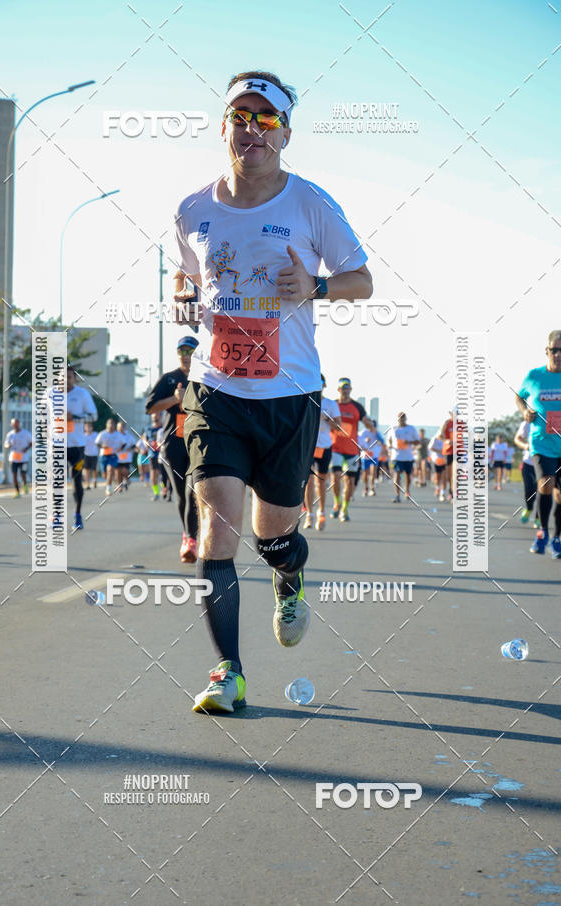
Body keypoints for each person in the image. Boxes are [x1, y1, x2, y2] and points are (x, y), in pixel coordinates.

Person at [170, 70, 372, 712]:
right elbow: (185, 273)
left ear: (284, 133)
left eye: (265, 118)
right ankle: (226, 673)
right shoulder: (192, 209)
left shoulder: (310, 204)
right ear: (223, 124)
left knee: (273, 536)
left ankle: (289, 576)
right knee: (217, 533)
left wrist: (315, 289)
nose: (251, 128)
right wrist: (179, 293)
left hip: (289, 396)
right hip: (217, 391)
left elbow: (361, 280)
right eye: (240, 116)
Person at [146, 336, 199, 563]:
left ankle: (192, 539)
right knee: (181, 495)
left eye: (191, 351)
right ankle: (188, 536)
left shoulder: (207, 378)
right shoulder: (169, 379)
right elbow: (150, 408)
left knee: (194, 492)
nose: (186, 356)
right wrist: (174, 399)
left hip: (199, 444)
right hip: (173, 444)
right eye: (183, 351)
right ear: (178, 354)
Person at [516, 330, 561, 557]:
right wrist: (525, 411)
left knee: (560, 495)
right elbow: (519, 395)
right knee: (546, 483)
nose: (558, 354)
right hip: (541, 443)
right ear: (547, 351)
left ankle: (557, 537)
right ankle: (542, 532)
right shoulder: (534, 376)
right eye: (554, 350)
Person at [330, 378, 373, 522]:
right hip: (335, 447)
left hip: (352, 450)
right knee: (335, 476)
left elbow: (366, 420)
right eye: (342, 387)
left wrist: (368, 423)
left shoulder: (357, 407)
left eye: (347, 387)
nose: (345, 390)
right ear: (338, 390)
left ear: (351, 389)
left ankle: (344, 509)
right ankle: (337, 502)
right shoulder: (333, 405)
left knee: (349, 482)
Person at [303, 374, 340, 530]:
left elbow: (339, 427)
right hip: (308, 446)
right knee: (308, 482)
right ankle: (309, 514)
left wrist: (327, 418)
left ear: (324, 385)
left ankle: (321, 512)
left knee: (320, 482)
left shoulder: (331, 404)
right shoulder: (305, 401)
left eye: (321, 382)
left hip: (324, 447)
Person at [66, 366, 98, 529]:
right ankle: (56, 515)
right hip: (56, 446)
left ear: (75, 379)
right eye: (61, 377)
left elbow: (93, 416)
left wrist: (74, 417)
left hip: (77, 447)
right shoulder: (50, 395)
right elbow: (42, 417)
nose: (65, 380)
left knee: (77, 481)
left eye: (69, 377)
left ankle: (77, 515)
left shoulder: (82, 394)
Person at [387, 412, 420, 502]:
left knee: (407, 475)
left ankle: (407, 490)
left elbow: (418, 441)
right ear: (397, 419)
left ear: (405, 419)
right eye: (399, 418)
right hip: (396, 456)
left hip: (408, 456)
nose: (401, 419)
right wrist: (390, 446)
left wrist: (409, 442)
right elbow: (389, 440)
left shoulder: (411, 428)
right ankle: (397, 495)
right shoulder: (393, 429)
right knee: (397, 473)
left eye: (403, 418)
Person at [514, 420, 538, 525]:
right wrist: (525, 446)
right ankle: (529, 509)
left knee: (542, 492)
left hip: (544, 463)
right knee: (529, 490)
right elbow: (517, 439)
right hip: (528, 463)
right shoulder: (527, 422)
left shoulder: (551, 420)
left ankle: (539, 517)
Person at [4, 418, 32, 497]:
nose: (15, 425)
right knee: (14, 475)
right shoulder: (10, 434)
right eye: (14, 424)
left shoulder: (26, 433)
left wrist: (26, 448)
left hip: (23, 458)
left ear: (19, 424)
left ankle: (25, 485)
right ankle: (17, 491)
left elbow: (32, 442)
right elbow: (6, 444)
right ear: (12, 425)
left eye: (16, 423)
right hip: (14, 458)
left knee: (23, 473)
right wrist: (8, 446)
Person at [358, 419, 385, 497]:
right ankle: (366, 487)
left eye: (373, 425)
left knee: (373, 472)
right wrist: (365, 441)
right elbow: (359, 441)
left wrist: (377, 436)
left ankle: (372, 488)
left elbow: (382, 441)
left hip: (374, 455)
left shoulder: (377, 432)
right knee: (365, 473)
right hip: (365, 455)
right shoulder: (364, 432)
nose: (372, 427)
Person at [96, 418, 122, 497]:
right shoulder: (102, 434)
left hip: (113, 455)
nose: (111, 425)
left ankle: (108, 489)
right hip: (103, 456)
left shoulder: (118, 434)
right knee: (104, 475)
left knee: (110, 470)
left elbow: (123, 443)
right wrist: (102, 446)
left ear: (114, 425)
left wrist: (120, 448)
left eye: (112, 424)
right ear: (106, 425)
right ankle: (110, 480)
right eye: (109, 423)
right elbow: (97, 443)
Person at [116, 421, 137, 491]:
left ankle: (127, 479)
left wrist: (130, 448)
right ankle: (119, 485)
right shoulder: (115, 435)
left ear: (124, 427)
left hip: (126, 457)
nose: (120, 428)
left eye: (121, 427)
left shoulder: (129, 436)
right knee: (118, 471)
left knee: (124, 471)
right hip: (117, 456)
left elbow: (134, 445)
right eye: (118, 427)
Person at [428, 432, 447, 501]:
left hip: (445, 460)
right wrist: (439, 451)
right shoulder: (435, 439)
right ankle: (437, 488)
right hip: (436, 460)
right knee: (438, 477)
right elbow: (430, 448)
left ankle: (443, 493)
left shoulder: (446, 439)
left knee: (444, 477)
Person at [83, 422, 99, 489]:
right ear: (85, 428)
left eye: (90, 427)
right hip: (86, 454)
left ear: (92, 428)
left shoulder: (96, 434)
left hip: (94, 454)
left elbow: (99, 442)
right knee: (87, 470)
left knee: (94, 469)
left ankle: (94, 480)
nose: (88, 428)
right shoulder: (83, 435)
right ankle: (87, 484)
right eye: (87, 427)